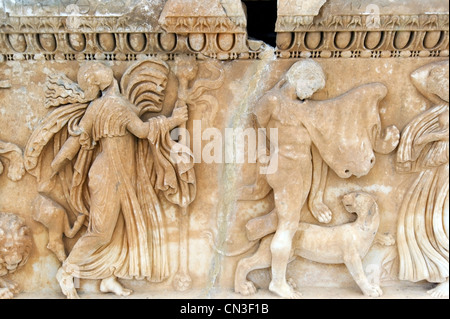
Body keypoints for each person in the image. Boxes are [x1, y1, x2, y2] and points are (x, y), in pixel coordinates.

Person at [37, 62, 189, 299]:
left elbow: (75, 141)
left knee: (120, 229)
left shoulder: (104, 105)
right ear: (98, 80)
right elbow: (140, 131)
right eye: (96, 68)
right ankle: (66, 272)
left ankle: (109, 277)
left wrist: (55, 166)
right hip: (109, 175)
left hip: (119, 174)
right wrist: (173, 120)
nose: (101, 66)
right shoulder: (112, 105)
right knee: (101, 232)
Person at [396, 60, 449, 298]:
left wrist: (428, 138)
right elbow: (418, 76)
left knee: (442, 221)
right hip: (434, 169)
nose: (440, 90)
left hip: (445, 171)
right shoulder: (443, 106)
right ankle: (441, 270)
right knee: (421, 220)